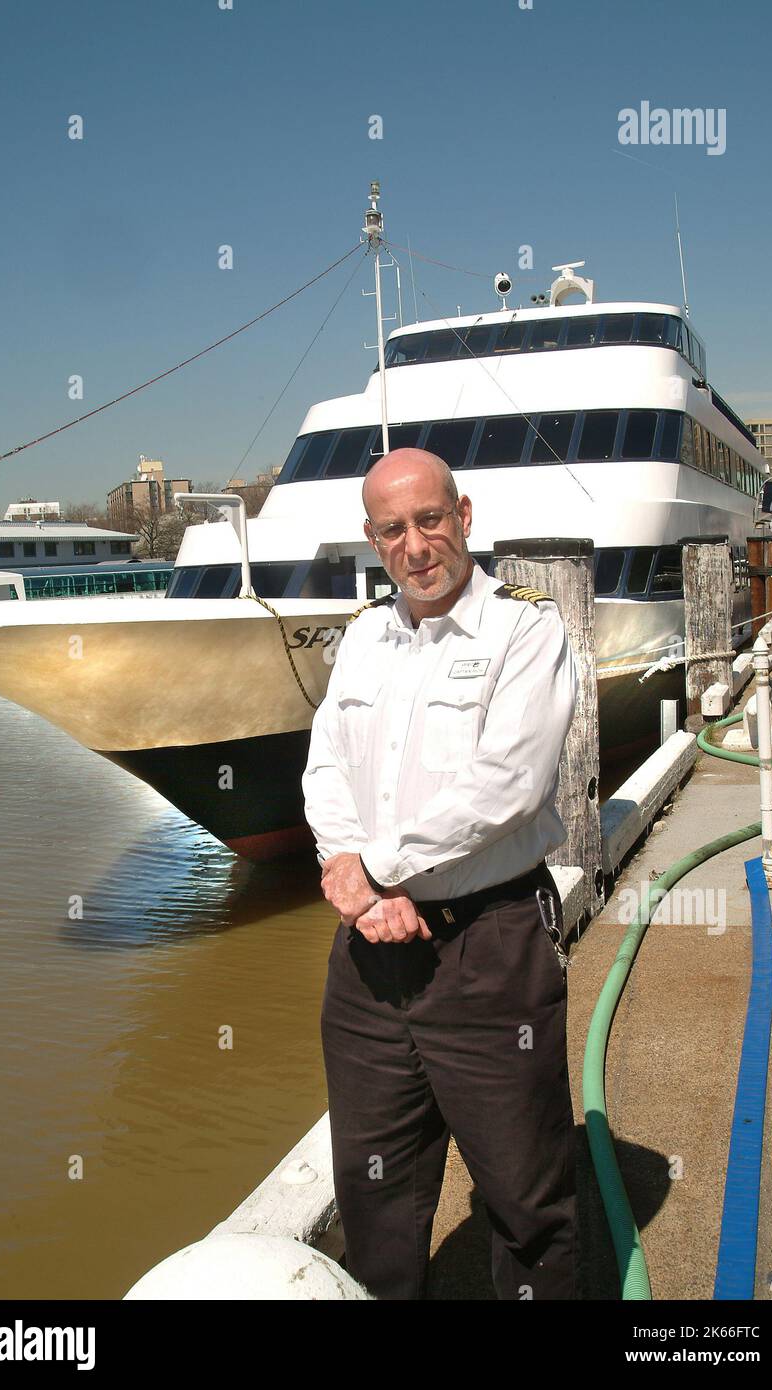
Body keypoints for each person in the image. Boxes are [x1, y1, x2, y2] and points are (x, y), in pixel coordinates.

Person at [302, 446, 579, 1300]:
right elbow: (325, 771)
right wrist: (351, 879)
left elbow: (507, 785)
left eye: (430, 520)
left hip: (488, 949)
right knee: (376, 1193)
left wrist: (376, 868)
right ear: (371, 539)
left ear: (465, 517)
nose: (416, 545)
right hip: (370, 961)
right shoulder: (363, 640)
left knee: (525, 1198)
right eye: (394, 529)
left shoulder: (526, 629)